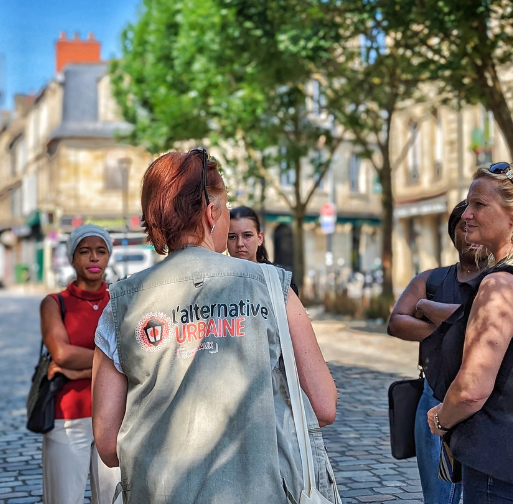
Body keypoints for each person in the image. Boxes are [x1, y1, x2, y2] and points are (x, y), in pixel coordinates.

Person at [91, 149, 339, 504]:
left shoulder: (120, 303)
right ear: (212, 213)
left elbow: (107, 444)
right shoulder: (272, 287)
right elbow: (325, 405)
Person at [426, 162, 513, 504]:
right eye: (466, 205)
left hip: (503, 465)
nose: (466, 215)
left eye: (479, 205)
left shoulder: (501, 286)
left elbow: (472, 389)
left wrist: (441, 418)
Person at [388, 201, 486, 504]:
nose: (469, 233)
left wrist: (427, 308)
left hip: (485, 403)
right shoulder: (430, 280)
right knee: (438, 495)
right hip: (434, 398)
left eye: (475, 226)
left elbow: (481, 321)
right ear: (452, 234)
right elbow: (396, 322)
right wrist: (453, 328)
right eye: (462, 227)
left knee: (479, 492)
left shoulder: (498, 280)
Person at [40, 224, 121, 504]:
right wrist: (108, 360)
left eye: (101, 251)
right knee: (64, 499)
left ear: (109, 256)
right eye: (84, 251)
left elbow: (135, 354)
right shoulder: (54, 303)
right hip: (67, 419)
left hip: (114, 416)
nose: (94, 258)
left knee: (114, 499)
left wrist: (78, 370)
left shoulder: (121, 299)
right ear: (72, 257)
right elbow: (61, 354)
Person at [228, 205, 299, 295]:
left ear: (260, 238)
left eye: (247, 235)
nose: (240, 243)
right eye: (232, 237)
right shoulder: (217, 279)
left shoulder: (279, 278)